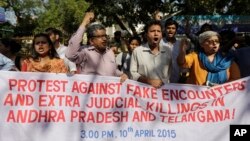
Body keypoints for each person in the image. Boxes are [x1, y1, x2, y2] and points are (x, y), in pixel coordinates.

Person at [65, 12, 127, 82]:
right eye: (100, 36)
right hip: (90, 92)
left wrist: (121, 74)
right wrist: (84, 24)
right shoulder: (85, 52)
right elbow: (70, 55)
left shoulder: (109, 52)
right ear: (91, 40)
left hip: (109, 91)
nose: (104, 39)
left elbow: (114, 70)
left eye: (105, 36)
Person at [130, 20, 172, 88]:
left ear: (161, 34)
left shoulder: (168, 51)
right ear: (146, 34)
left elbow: (169, 73)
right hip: (143, 93)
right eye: (152, 31)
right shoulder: (137, 51)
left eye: (159, 31)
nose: (156, 34)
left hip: (163, 93)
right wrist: (149, 81)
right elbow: (133, 73)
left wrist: (162, 83)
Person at [160, 19, 184, 83]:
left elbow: (182, 61)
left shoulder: (180, 44)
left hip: (177, 80)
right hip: (161, 80)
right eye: (168, 28)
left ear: (176, 30)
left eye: (173, 28)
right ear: (164, 29)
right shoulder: (159, 43)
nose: (170, 30)